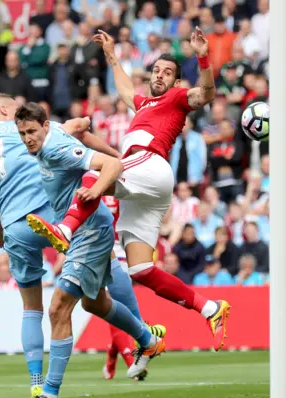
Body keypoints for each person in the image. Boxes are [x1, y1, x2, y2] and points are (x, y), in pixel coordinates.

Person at [27, 28, 230, 351]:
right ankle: (210, 308)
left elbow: (204, 94)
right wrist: (110, 53)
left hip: (150, 164)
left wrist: (203, 57)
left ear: (177, 81)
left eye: (168, 73)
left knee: (96, 174)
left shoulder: (176, 97)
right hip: (149, 185)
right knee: (141, 268)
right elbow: (124, 87)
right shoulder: (145, 103)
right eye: (157, 71)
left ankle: (64, 230)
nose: (160, 76)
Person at [13, 102, 165, 398]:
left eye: (31, 131)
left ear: (44, 126)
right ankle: (148, 340)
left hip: (90, 233)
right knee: (94, 303)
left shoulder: (55, 147)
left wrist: (95, 190)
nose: (28, 138)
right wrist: (81, 122)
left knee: (58, 309)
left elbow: (111, 166)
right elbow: (78, 123)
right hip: (90, 230)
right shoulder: (55, 131)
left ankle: (49, 397)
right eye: (22, 133)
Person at [0, 93, 89, 398]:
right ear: (6, 110)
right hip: (47, 213)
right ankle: (140, 332)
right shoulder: (20, 130)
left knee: (30, 309)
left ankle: (36, 382)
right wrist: (84, 121)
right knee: (102, 255)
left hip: (14, 228)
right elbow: (69, 128)